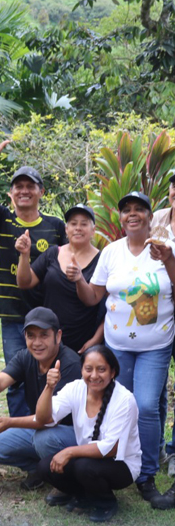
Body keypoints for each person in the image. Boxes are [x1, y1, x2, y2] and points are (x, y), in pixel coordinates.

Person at [67, 191, 175, 501]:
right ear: (120, 217)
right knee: (120, 406)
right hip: (117, 346)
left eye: (139, 209)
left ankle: (146, 475)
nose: (132, 214)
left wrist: (169, 259)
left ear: (150, 216)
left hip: (156, 344)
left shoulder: (166, 248)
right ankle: (122, 462)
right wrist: (79, 280)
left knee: (145, 406)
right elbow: (93, 297)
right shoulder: (111, 252)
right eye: (126, 209)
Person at [0, 124, 67, 417]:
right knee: (15, 378)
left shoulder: (56, 226)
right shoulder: (3, 221)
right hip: (13, 316)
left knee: (52, 376)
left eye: (30, 186)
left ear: (41, 192)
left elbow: (67, 265)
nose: (24, 191)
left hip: (48, 313)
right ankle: (19, 429)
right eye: (18, 187)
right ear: (11, 193)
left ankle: (48, 424)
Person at [0, 307, 81, 492]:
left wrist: (9, 422)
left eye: (44, 335)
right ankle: (39, 469)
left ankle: (65, 479)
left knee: (44, 438)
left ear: (58, 336)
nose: (37, 343)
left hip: (72, 435)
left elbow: (47, 420)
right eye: (31, 336)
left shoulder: (70, 364)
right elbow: (2, 380)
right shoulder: (26, 356)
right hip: (41, 429)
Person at [36, 345, 141, 523]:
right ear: (82, 370)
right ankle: (83, 496)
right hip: (88, 458)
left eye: (101, 369)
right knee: (46, 467)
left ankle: (105, 503)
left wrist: (69, 452)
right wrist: (49, 387)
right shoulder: (75, 388)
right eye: (88, 369)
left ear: (113, 372)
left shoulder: (125, 400)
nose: (94, 375)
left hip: (122, 465)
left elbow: (111, 449)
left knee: (83, 466)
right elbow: (43, 418)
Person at [16, 204, 104, 353]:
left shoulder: (102, 260)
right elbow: (25, 282)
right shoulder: (52, 253)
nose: (78, 228)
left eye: (84, 224)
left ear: (93, 230)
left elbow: (110, 306)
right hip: (50, 342)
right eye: (73, 224)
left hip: (85, 344)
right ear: (66, 229)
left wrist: (96, 340)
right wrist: (24, 255)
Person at [151, 175, 175, 477]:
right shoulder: (157, 218)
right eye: (174, 187)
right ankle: (155, 445)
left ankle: (174, 450)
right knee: (155, 388)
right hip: (157, 313)